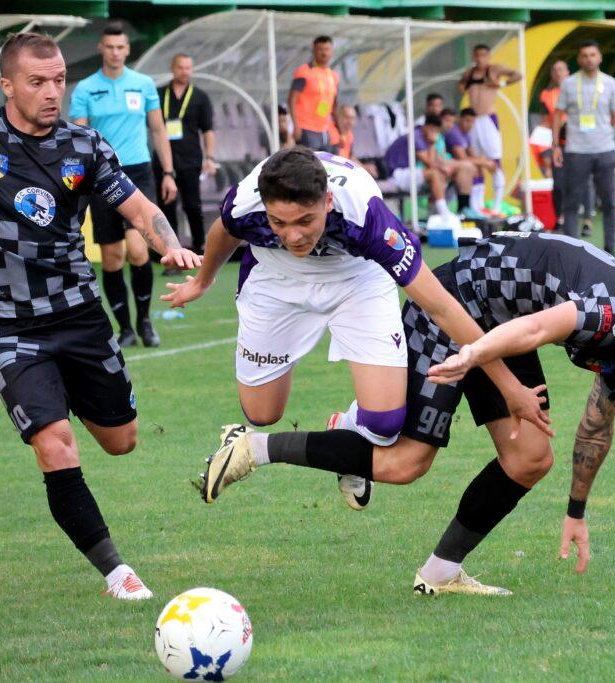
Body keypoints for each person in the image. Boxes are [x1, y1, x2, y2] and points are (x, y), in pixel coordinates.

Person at [197, 232, 615, 596]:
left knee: (530, 456)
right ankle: (252, 446)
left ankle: (441, 573)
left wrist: (575, 511)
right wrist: (476, 361)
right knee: (407, 462)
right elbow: (528, 332)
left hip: (500, 323)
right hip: (454, 306)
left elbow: (596, 426)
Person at [0, 33, 201, 599]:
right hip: (8, 325)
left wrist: (170, 247)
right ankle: (118, 573)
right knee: (55, 443)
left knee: (122, 441)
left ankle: (69, 394)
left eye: (59, 79)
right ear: (7, 84)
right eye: (37, 82)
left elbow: (136, 206)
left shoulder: (83, 145)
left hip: (79, 315)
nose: (52, 92)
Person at [159, 148, 548, 509]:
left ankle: (347, 430)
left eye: (305, 221)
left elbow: (443, 307)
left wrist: (509, 386)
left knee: (384, 424)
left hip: (356, 277)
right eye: (279, 222)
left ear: (327, 202)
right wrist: (203, 281)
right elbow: (222, 231)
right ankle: (260, 436)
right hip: (275, 278)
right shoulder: (247, 200)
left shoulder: (369, 219)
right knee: (261, 413)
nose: (293, 235)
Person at [70, 21, 177, 348]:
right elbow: (78, 136)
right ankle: (125, 329)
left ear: (127, 50)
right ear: (101, 48)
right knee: (113, 256)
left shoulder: (143, 84)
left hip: (139, 172)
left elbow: (158, 130)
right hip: (102, 175)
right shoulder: (85, 89)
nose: (115, 52)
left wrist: (169, 172)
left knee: (138, 249)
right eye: (110, 46)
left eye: (121, 47)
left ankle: (145, 321)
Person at [553, 40, 615, 256]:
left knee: (609, 201)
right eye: (584, 55)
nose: (589, 59)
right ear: (579, 59)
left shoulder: (610, 83)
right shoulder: (569, 84)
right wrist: (555, 146)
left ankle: (610, 248)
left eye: (592, 55)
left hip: (605, 149)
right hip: (577, 150)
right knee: (572, 202)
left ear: (599, 57)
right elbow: (557, 114)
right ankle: (572, 250)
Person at [153, 53, 217, 268]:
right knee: (166, 207)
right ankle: (171, 253)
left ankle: (200, 249)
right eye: (181, 67)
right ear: (173, 68)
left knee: (192, 205)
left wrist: (209, 157)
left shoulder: (200, 96)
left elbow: (208, 130)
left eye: (189, 68)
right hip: (162, 160)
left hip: (191, 159)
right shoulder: (159, 94)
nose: (185, 71)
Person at [458, 44, 522, 215]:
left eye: (484, 55)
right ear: (473, 56)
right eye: (477, 55)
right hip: (473, 121)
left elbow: (517, 75)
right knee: (476, 160)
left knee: (494, 160)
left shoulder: (494, 70)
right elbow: (461, 86)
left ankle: (497, 203)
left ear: (488, 56)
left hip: (488, 119)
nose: (480, 59)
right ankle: (476, 204)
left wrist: (500, 83)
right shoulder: (470, 73)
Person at [381, 114, 472, 217]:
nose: (435, 134)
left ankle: (441, 212)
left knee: (453, 170)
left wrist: (447, 167)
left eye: (437, 131)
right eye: (434, 131)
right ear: (427, 126)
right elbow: (430, 163)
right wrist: (432, 143)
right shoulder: (416, 137)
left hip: (408, 172)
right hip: (396, 175)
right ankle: (444, 213)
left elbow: (436, 160)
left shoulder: (423, 136)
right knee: (434, 174)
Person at [288, 36, 340, 152]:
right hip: (306, 128)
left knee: (326, 165)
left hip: (325, 129)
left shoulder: (334, 76)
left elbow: (334, 106)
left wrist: (340, 131)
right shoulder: (304, 71)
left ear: (332, 51)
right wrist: (296, 126)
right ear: (314, 50)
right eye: (320, 49)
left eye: (327, 49)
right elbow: (292, 99)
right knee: (310, 164)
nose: (324, 53)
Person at [539, 60, 569, 224]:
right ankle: (560, 216)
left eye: (561, 70)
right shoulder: (546, 94)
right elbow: (544, 121)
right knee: (558, 182)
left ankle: (587, 215)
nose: (558, 73)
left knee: (583, 180)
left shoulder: (575, 90)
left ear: (568, 72)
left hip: (579, 142)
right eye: (555, 70)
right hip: (558, 143)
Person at [328, 104, 376, 177]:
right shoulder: (330, 132)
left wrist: (364, 167)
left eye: (353, 118)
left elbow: (350, 156)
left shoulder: (349, 135)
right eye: (347, 117)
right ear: (339, 117)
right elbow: (335, 159)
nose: (350, 122)